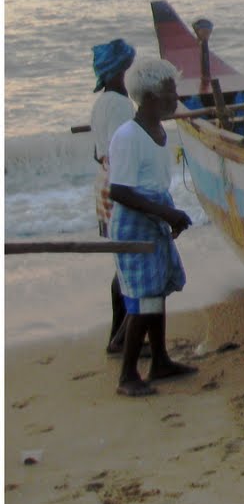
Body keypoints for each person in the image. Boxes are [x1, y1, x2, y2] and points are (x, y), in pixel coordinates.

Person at [107, 57, 197, 397]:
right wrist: (166, 214)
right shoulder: (128, 136)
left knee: (156, 292)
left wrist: (168, 215)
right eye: (169, 93)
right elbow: (120, 191)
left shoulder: (158, 132)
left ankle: (160, 360)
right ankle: (128, 374)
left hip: (155, 218)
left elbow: (154, 184)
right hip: (134, 225)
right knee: (144, 299)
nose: (176, 99)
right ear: (148, 97)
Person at [89, 38, 138, 354]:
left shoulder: (102, 103)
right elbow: (123, 153)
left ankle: (118, 334)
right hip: (119, 184)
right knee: (133, 264)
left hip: (104, 182)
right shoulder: (120, 104)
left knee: (123, 264)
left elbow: (98, 153)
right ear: (120, 70)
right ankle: (122, 337)